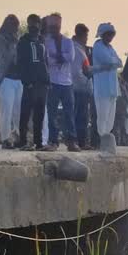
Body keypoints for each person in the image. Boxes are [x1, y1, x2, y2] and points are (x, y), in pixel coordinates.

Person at [44, 13, 79, 152]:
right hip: (52, 81)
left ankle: (71, 141)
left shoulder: (68, 41)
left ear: (60, 26)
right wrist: (60, 57)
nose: (54, 29)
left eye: (56, 26)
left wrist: (56, 56)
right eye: (51, 26)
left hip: (67, 82)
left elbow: (70, 57)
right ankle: (53, 141)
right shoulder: (46, 41)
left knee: (69, 113)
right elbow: (48, 59)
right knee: (52, 113)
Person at [16, 14, 48, 151]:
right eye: (31, 23)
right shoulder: (23, 41)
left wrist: (47, 80)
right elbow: (21, 63)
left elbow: (45, 61)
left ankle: (38, 141)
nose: (33, 26)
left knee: (39, 114)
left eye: (36, 23)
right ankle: (23, 140)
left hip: (42, 82)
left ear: (39, 25)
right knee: (25, 113)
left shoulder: (42, 41)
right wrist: (25, 81)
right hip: (30, 82)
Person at [91, 23, 122, 138]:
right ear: (103, 34)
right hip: (102, 88)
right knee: (102, 115)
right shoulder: (98, 46)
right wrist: (112, 62)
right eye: (109, 34)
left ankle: (107, 137)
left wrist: (112, 62)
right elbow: (108, 61)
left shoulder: (110, 48)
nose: (111, 37)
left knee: (111, 116)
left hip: (112, 88)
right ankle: (102, 137)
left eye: (112, 34)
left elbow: (119, 62)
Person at [0, 14, 21, 149]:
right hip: (7, 78)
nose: (15, 29)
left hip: (19, 79)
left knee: (19, 110)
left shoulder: (18, 39)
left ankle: (18, 135)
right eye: (13, 26)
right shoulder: (0, 38)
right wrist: (14, 45)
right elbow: (6, 56)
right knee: (7, 110)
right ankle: (5, 138)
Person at [71, 23, 93, 150]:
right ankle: (79, 141)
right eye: (86, 36)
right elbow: (76, 72)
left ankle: (82, 141)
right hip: (78, 88)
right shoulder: (75, 49)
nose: (87, 38)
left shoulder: (81, 49)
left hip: (83, 88)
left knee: (83, 116)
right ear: (81, 35)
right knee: (79, 116)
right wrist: (85, 81)